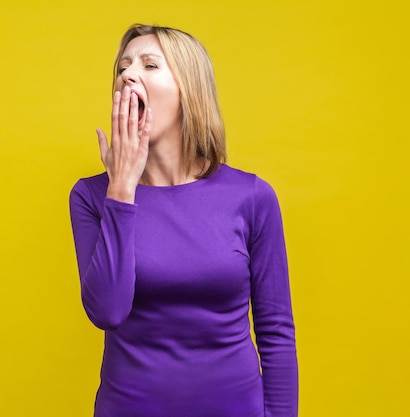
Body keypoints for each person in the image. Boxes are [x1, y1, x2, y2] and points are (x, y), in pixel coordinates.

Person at [69, 23, 298, 417]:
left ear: (187, 90)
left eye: (149, 65)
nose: (128, 74)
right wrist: (121, 189)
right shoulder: (91, 196)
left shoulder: (252, 197)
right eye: (123, 67)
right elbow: (107, 311)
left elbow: (276, 334)